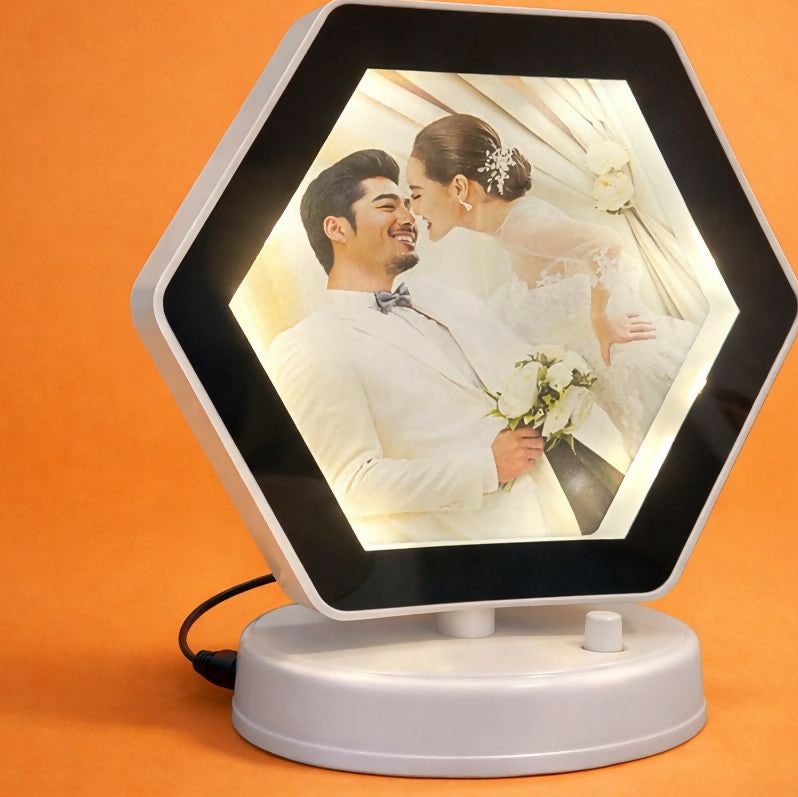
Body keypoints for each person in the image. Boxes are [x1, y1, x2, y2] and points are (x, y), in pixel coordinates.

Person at [266, 149, 628, 547]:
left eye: (408, 204)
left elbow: (520, 362)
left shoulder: (438, 295)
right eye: (387, 206)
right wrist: (485, 467)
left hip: (592, 469)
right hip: (506, 532)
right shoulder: (309, 345)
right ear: (336, 228)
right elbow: (350, 484)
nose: (408, 217)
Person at [407, 114, 699, 455]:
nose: (413, 209)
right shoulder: (509, 226)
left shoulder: (520, 227)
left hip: (633, 368)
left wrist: (600, 319)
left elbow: (606, 244)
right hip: (614, 377)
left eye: (416, 194)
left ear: (459, 187)